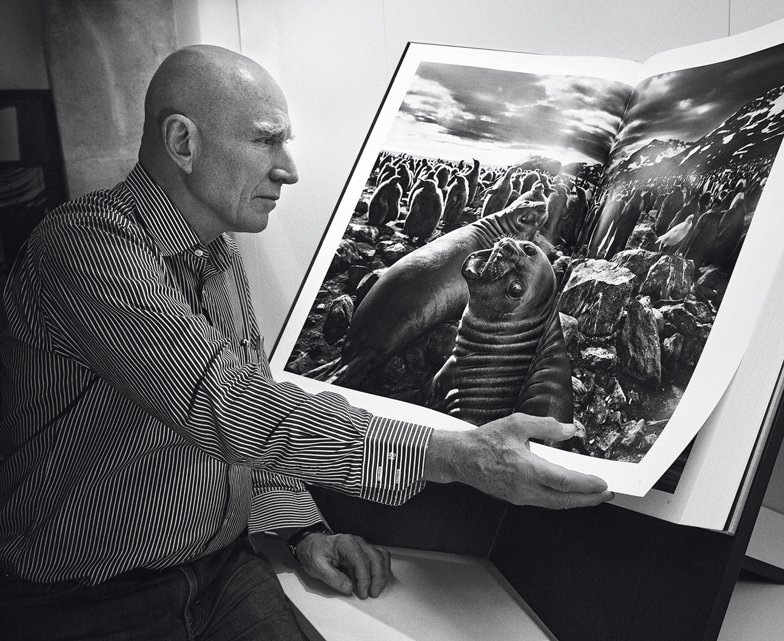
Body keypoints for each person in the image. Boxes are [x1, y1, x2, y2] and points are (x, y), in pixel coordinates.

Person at [0, 45, 611, 640]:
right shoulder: (84, 251)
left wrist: (302, 532)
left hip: (220, 572)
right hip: (85, 601)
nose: (289, 168)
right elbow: (232, 410)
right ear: (183, 142)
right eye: (267, 140)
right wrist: (452, 453)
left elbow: (254, 409)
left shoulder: (215, 253)